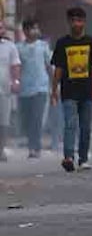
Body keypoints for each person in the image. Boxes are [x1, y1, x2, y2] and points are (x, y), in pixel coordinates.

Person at [51, 7, 92, 171]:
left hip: (87, 91)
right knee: (70, 124)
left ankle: (83, 159)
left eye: (79, 20)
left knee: (85, 126)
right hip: (69, 91)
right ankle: (68, 157)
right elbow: (58, 68)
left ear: (84, 22)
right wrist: (54, 90)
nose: (76, 24)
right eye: (73, 20)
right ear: (69, 22)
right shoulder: (62, 43)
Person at [17, 19, 52, 158]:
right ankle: (31, 143)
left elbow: (49, 66)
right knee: (26, 119)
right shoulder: (19, 48)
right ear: (25, 31)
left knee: (37, 118)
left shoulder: (43, 46)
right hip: (24, 89)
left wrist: (54, 85)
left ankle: (35, 147)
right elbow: (17, 67)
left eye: (37, 28)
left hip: (40, 88)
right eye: (33, 28)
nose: (36, 31)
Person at [0, 23, 20, 161]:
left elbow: (15, 65)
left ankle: (1, 150)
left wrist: (16, 81)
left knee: (3, 122)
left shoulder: (10, 46)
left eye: (1, 28)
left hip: (4, 90)